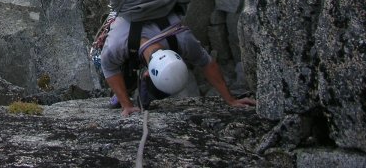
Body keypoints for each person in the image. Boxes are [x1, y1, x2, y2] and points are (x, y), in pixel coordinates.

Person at [100, 12, 256, 116]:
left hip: (148, 34)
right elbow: (108, 67)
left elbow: (207, 63)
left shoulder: (183, 38)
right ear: (147, 73)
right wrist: (125, 103)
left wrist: (231, 100)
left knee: (124, 71)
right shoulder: (115, 46)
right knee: (125, 77)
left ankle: (129, 94)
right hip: (124, 22)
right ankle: (124, 94)